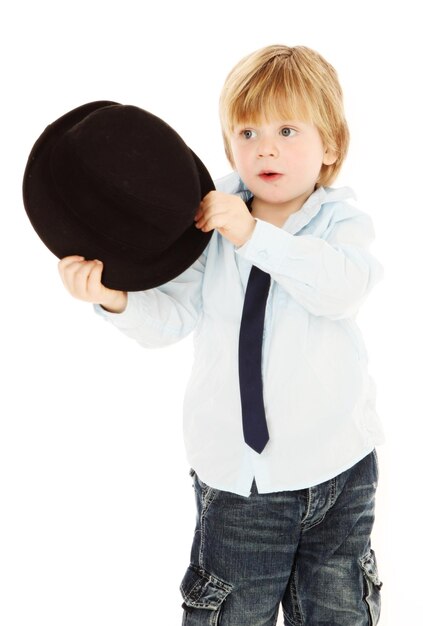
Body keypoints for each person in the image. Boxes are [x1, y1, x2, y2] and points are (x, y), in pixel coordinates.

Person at [59, 45, 384, 625]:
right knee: (230, 612)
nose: (265, 146)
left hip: (337, 468)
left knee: (339, 613)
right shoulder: (208, 224)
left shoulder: (341, 223)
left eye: (288, 129)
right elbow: (172, 318)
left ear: (330, 145)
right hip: (240, 484)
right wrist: (114, 299)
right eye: (248, 130)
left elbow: (340, 290)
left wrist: (254, 235)